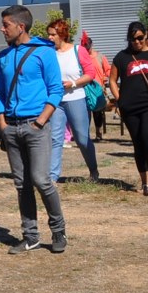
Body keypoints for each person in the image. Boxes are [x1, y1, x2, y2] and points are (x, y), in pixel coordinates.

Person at [0, 7, 68, 253]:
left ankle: (58, 231)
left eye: (6, 24)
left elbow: (55, 89)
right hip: (12, 128)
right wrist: (2, 122)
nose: (2, 29)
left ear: (20, 26)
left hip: (36, 125)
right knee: (21, 184)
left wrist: (40, 121)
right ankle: (30, 236)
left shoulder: (44, 52)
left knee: (40, 180)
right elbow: (1, 93)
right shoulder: (3, 56)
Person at [109, 21, 148, 196]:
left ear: (146, 37)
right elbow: (112, 80)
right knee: (138, 142)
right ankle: (143, 181)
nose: (137, 42)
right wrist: (120, 99)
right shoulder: (122, 57)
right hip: (130, 107)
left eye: (140, 38)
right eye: (133, 39)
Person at [46, 19, 102, 183]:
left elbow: (90, 73)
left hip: (76, 98)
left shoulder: (78, 51)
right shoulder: (49, 53)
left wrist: (74, 83)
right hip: (56, 101)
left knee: (82, 138)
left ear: (62, 34)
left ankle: (93, 170)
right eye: (48, 34)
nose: (49, 38)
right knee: (56, 138)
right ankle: (53, 176)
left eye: (53, 34)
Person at [84, 32, 112, 142]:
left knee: (98, 111)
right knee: (85, 112)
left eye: (88, 46)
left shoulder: (100, 56)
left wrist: (105, 77)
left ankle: (98, 133)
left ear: (91, 45)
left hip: (98, 88)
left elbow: (108, 70)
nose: (87, 49)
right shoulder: (82, 57)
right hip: (86, 87)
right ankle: (85, 134)